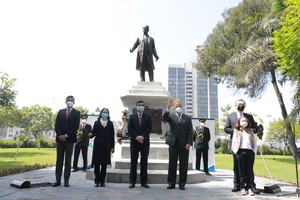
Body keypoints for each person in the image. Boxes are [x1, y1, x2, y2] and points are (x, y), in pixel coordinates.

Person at [224, 99, 258, 193]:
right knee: (237, 166)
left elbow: (255, 128)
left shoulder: (249, 116)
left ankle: (251, 185)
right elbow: (226, 129)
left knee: (249, 167)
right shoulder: (231, 116)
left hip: (248, 146)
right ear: (235, 105)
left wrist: (248, 130)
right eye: (239, 104)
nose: (241, 106)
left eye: (243, 104)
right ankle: (237, 185)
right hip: (236, 146)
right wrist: (236, 130)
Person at [163, 98, 193, 190]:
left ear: (182, 107)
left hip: (184, 145)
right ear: (174, 107)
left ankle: (182, 184)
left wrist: (189, 143)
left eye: (180, 106)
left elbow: (190, 132)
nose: (178, 107)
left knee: (183, 165)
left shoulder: (187, 118)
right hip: (173, 143)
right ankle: (171, 183)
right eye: (177, 106)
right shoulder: (171, 116)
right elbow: (164, 118)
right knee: (172, 164)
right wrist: (168, 108)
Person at [52, 95, 81, 187]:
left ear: (74, 102)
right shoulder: (60, 112)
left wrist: (66, 135)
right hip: (60, 139)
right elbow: (57, 125)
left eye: (71, 100)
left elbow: (75, 127)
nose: (70, 101)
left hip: (70, 140)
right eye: (68, 100)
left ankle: (66, 181)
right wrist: (60, 135)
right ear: (65, 101)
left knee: (68, 160)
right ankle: (57, 180)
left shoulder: (77, 113)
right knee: (59, 160)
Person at [128, 100, 153, 189]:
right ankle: (132, 181)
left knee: (144, 162)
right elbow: (130, 128)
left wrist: (142, 137)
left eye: (142, 105)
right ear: (136, 106)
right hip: (134, 142)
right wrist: (137, 137)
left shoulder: (148, 117)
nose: (140, 106)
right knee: (133, 162)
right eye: (138, 105)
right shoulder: (132, 116)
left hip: (144, 142)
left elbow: (149, 128)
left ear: (144, 106)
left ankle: (144, 182)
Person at [89, 108, 115, 187]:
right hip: (98, 145)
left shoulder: (110, 123)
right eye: (104, 112)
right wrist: (90, 135)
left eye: (106, 112)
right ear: (101, 113)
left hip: (106, 145)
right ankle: (97, 180)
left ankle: (102, 181)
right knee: (97, 164)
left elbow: (112, 135)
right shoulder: (96, 123)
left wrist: (112, 146)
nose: (105, 114)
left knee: (104, 164)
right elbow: (93, 132)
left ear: (108, 114)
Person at [231, 116, 257, 196]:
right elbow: (234, 142)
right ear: (239, 122)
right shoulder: (236, 131)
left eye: (245, 120)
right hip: (240, 152)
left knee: (249, 170)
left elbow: (254, 142)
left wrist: (254, 151)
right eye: (242, 120)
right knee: (241, 171)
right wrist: (236, 151)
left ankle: (250, 187)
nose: (244, 122)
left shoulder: (250, 131)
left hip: (249, 152)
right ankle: (242, 187)